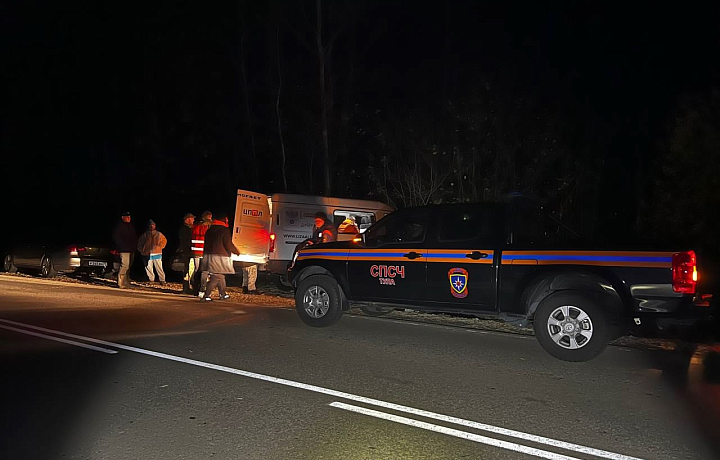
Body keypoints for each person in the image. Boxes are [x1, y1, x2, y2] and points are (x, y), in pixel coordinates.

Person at [202, 212, 239, 301]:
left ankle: (223, 294)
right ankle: (206, 296)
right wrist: (236, 251)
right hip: (220, 256)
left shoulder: (209, 230)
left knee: (220, 276)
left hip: (209, 256)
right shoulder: (224, 230)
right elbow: (228, 244)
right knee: (217, 276)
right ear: (225, 220)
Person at [112, 211, 137, 289]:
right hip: (124, 249)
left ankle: (126, 281)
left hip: (131, 249)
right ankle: (120, 281)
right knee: (125, 265)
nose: (129, 218)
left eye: (129, 217)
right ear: (123, 217)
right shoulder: (120, 227)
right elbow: (116, 238)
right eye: (127, 217)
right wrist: (121, 246)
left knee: (129, 266)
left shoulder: (131, 226)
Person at [192, 211, 212, 297]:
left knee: (197, 270)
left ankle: (195, 288)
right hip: (205, 252)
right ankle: (202, 289)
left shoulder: (196, 226)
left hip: (196, 251)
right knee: (204, 271)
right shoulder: (209, 227)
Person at [177, 213, 195, 294]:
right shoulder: (185, 230)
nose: (193, 220)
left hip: (187, 252)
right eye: (192, 218)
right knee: (187, 271)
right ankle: (186, 288)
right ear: (187, 219)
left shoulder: (186, 229)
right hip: (187, 252)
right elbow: (186, 241)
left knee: (189, 270)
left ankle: (187, 287)